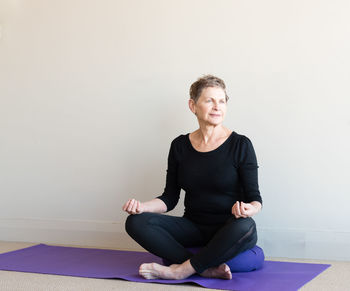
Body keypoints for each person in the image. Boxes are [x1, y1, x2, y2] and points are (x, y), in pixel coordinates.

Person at [122, 75, 262, 280]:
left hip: (229, 228)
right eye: (209, 100)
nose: (217, 107)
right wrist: (143, 207)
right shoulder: (179, 146)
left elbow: (255, 198)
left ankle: (180, 270)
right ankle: (203, 267)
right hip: (193, 227)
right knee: (135, 222)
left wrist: (250, 208)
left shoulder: (241, 145)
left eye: (222, 101)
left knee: (246, 227)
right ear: (193, 105)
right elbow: (169, 198)